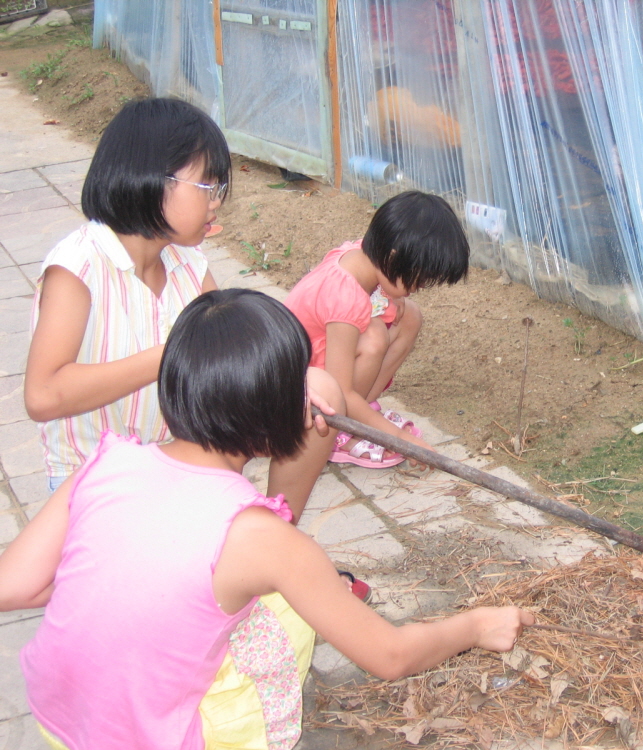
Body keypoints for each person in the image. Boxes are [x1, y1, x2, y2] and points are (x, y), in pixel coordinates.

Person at [0, 289, 534, 750]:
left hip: (59, 723)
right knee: (291, 607)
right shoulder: (263, 539)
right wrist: (477, 626)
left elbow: (15, 585)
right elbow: (390, 656)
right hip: (152, 736)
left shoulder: (106, 463)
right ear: (274, 411)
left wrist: (130, 576)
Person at [22, 97, 338, 524]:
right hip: (97, 482)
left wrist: (288, 379)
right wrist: (169, 356)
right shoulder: (79, 268)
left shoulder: (187, 264)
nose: (217, 203)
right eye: (208, 187)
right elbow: (43, 396)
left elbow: (236, 344)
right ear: (152, 179)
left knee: (319, 388)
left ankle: (275, 534)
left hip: (179, 460)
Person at [284, 190, 469, 467]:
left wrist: (393, 295)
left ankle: (362, 413)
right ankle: (340, 429)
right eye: (423, 279)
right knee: (373, 338)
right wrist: (399, 439)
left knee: (409, 316)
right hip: (297, 392)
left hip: (316, 365)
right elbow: (341, 388)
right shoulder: (345, 298)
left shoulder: (360, 255)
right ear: (393, 259)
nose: (422, 287)